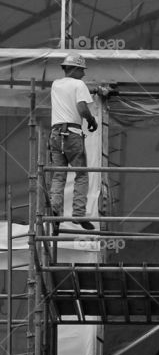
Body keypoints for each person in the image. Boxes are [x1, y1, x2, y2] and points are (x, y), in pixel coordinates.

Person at [48, 54, 97, 231]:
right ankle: (78, 214)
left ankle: (55, 210)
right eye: (82, 70)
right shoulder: (79, 84)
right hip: (72, 134)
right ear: (75, 69)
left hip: (55, 134)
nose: (84, 74)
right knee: (82, 174)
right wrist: (92, 121)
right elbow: (82, 108)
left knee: (59, 175)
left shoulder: (55, 84)